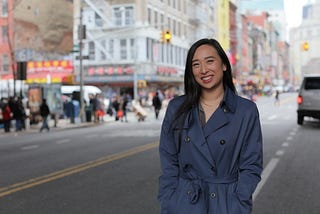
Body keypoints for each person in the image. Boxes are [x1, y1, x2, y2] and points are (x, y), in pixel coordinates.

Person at [158, 38, 263, 214]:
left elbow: (252, 165)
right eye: (196, 64)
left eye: (210, 61)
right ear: (191, 71)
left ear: (223, 65)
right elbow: (168, 161)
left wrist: (240, 201)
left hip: (226, 203)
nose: (204, 70)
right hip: (185, 203)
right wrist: (169, 200)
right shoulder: (177, 108)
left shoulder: (245, 111)